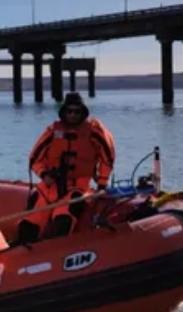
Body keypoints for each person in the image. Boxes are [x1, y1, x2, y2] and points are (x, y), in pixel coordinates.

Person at [17, 91, 116, 243]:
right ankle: (24, 252)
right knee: (28, 225)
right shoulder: (52, 132)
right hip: (50, 187)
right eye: (69, 111)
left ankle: (54, 253)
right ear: (64, 112)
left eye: (77, 111)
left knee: (63, 220)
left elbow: (107, 158)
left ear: (83, 112)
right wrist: (44, 174)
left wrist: (102, 183)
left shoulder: (94, 132)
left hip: (77, 188)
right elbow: (35, 158)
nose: (73, 115)